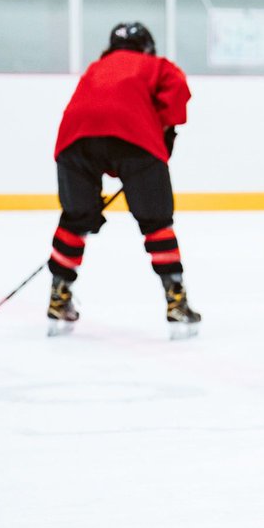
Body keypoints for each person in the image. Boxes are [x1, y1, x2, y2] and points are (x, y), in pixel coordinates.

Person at [46, 21, 202, 339]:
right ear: (147, 46)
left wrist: (87, 202)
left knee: (76, 219)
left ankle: (58, 296)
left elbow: (94, 111)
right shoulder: (157, 65)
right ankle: (175, 301)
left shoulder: (96, 68)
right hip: (134, 138)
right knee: (156, 222)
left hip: (74, 141)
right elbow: (177, 93)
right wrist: (160, 137)